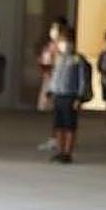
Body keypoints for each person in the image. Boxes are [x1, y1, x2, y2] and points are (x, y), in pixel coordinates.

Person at [47, 27, 90, 164]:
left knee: (70, 125)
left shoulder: (77, 59)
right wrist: (50, 92)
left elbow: (82, 79)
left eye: (65, 40)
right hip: (58, 94)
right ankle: (60, 151)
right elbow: (54, 76)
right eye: (61, 40)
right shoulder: (58, 58)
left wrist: (79, 97)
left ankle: (67, 152)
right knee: (58, 125)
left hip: (70, 96)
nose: (63, 44)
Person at [37, 17, 68, 150]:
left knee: (58, 110)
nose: (53, 31)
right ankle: (56, 137)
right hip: (50, 78)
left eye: (56, 28)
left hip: (58, 80)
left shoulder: (63, 46)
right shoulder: (52, 44)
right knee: (55, 111)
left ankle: (58, 138)